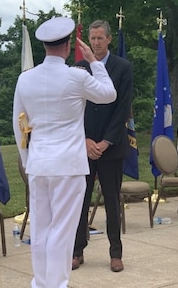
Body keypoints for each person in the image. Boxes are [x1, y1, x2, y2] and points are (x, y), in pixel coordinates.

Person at [13, 16, 116, 288]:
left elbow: (19, 125)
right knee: (62, 229)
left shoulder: (25, 79)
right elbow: (109, 94)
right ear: (69, 45)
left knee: (41, 226)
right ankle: (56, 283)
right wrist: (94, 62)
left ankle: (41, 281)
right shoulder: (77, 75)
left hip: (39, 163)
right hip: (68, 165)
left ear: (44, 46)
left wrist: (27, 160)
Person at [72, 20, 133, 272]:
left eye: (100, 38)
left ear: (108, 39)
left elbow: (122, 108)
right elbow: (75, 108)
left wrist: (105, 142)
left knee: (111, 201)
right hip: (83, 147)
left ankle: (115, 253)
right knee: (80, 202)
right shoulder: (78, 68)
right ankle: (77, 251)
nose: (95, 43)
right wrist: (85, 139)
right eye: (92, 38)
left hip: (111, 146)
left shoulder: (123, 67)